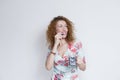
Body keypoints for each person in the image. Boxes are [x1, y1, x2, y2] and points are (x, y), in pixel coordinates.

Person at [45, 16, 86, 80]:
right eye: (60, 26)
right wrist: (55, 44)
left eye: (66, 26)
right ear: (54, 29)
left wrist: (80, 63)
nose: (64, 29)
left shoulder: (76, 44)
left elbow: (83, 68)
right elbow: (48, 67)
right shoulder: (52, 47)